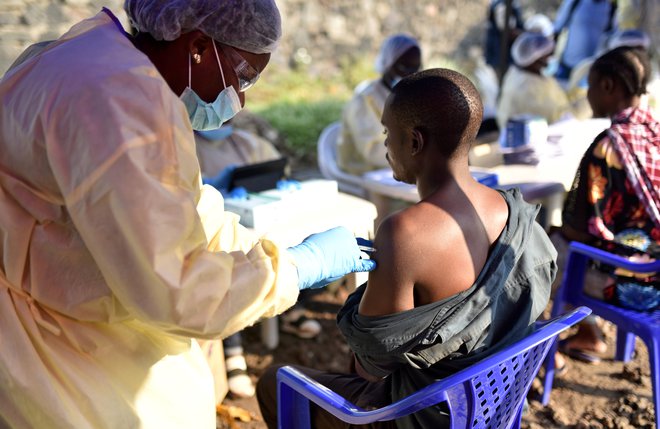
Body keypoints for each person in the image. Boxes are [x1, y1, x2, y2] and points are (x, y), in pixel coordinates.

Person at [0, 1, 376, 428]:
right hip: (54, 345)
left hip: (59, 300)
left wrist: (259, 249)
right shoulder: (123, 106)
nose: (243, 95)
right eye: (245, 74)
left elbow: (182, 212)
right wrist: (292, 269)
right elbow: (177, 291)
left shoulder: (83, 55)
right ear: (197, 46)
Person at [257, 68, 557, 428]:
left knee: (273, 381)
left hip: (420, 415)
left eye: (387, 133)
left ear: (414, 142)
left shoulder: (404, 233)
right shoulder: (511, 210)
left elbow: (369, 369)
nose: (385, 145)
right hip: (490, 408)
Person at [552, 48, 659, 364]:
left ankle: (542, 350)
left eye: (591, 85)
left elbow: (579, 231)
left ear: (609, 87)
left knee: (538, 254)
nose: (587, 94)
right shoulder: (654, 132)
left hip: (634, 282)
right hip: (655, 269)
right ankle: (589, 334)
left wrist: (555, 231)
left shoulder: (609, 146)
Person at [337, 33, 421, 175]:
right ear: (387, 63)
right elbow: (371, 152)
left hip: (397, 168)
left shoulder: (406, 96)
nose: (410, 74)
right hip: (363, 172)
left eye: (415, 68)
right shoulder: (363, 99)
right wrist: (418, 156)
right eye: (403, 67)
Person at [497, 31, 574, 130]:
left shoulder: (525, 71)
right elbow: (559, 120)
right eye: (548, 56)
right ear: (534, 60)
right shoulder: (527, 90)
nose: (552, 59)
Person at [552, 0, 618, 82]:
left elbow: (611, 40)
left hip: (591, 71)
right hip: (567, 67)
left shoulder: (611, 9)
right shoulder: (575, 2)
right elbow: (557, 29)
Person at [484, 0, 525, 73]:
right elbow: (506, 29)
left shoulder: (512, 4)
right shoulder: (501, 6)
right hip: (501, 57)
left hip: (507, 56)